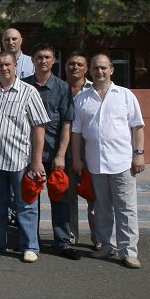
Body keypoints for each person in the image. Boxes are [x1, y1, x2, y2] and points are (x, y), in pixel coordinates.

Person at [72, 54, 145, 269]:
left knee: (126, 208)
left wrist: (139, 153)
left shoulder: (125, 95)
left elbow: (137, 126)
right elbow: (76, 132)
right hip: (96, 163)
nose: (100, 71)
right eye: (96, 68)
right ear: (90, 70)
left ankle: (128, 251)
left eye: (104, 68)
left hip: (122, 162)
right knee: (102, 207)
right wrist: (77, 158)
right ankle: (106, 246)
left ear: (111, 69)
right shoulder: (82, 98)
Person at [0, 51, 50, 263]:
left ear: (15, 66)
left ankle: (30, 246)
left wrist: (37, 161)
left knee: (26, 205)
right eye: (0, 65)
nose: (4, 68)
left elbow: (39, 128)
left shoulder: (29, 92)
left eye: (8, 65)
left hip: (20, 160)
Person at [23, 43, 79, 260]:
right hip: (28, 154)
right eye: (39, 57)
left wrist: (61, 154)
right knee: (29, 199)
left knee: (60, 198)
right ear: (32, 60)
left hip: (54, 154)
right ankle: (30, 241)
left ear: (54, 60)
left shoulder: (62, 87)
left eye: (47, 57)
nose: (43, 61)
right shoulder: (24, 85)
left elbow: (67, 123)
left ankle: (62, 242)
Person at [64, 51, 98, 247]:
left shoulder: (94, 89)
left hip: (92, 152)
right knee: (69, 198)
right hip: (67, 152)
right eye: (71, 64)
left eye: (79, 64)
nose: (75, 67)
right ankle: (71, 237)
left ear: (86, 69)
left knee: (95, 197)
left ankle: (98, 238)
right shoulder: (61, 88)